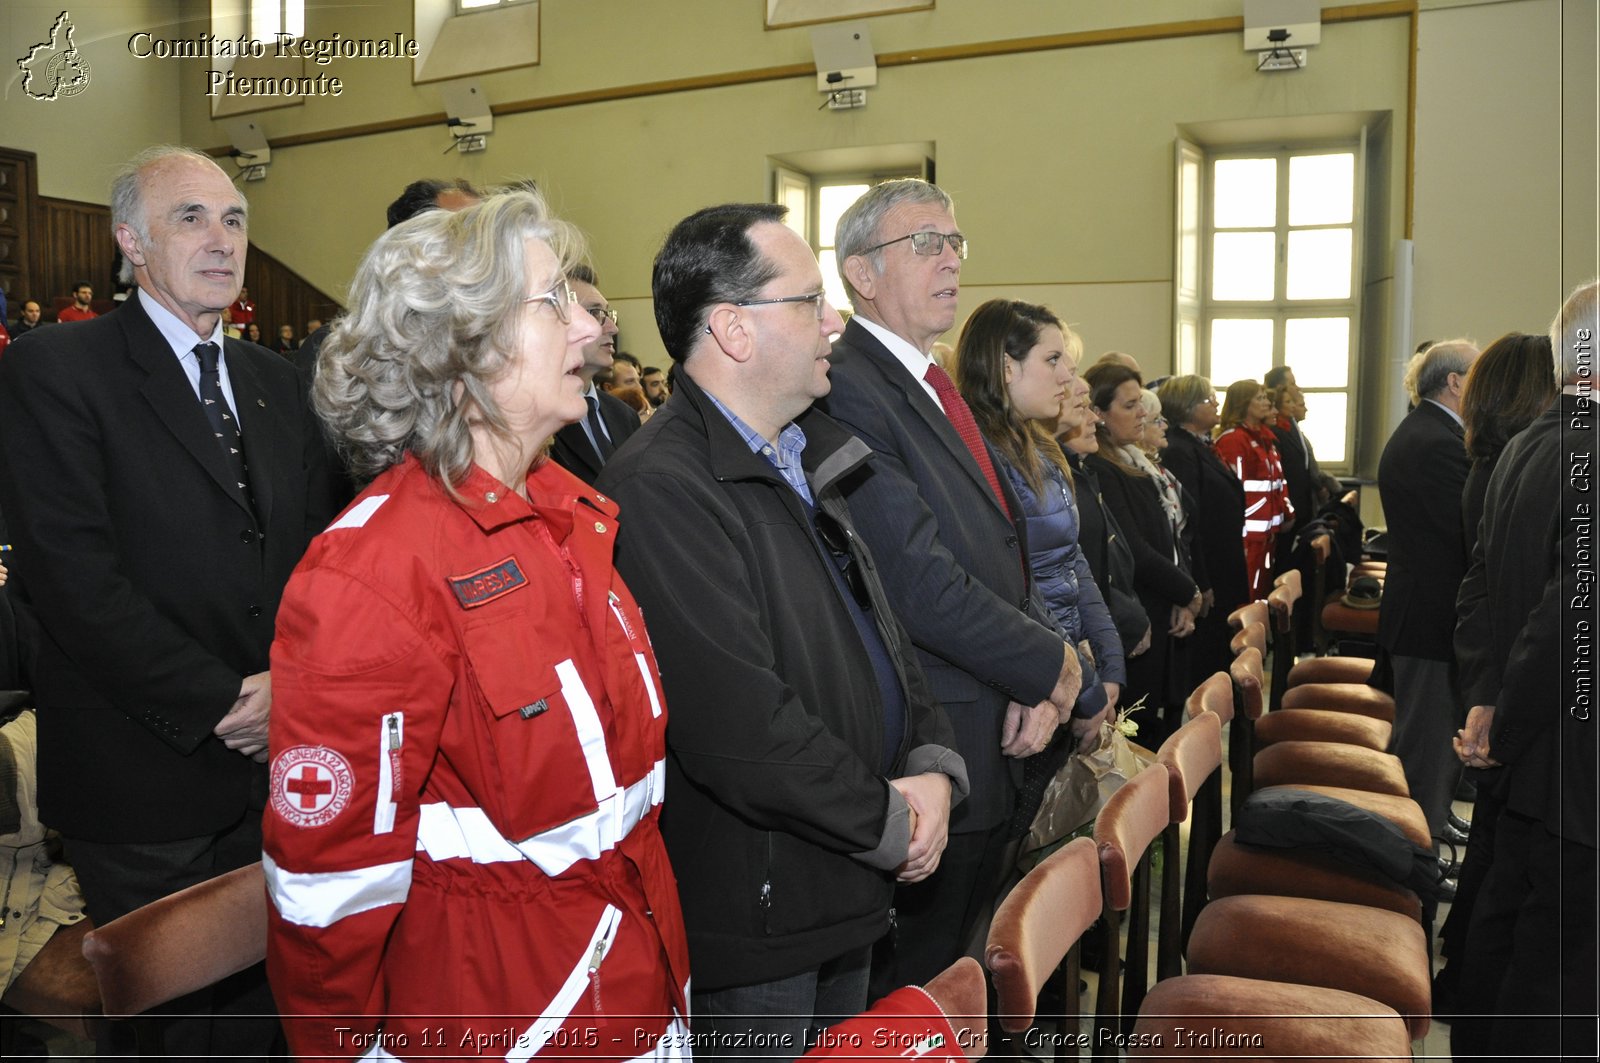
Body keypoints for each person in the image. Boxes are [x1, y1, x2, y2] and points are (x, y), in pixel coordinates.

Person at [264, 190, 690, 1059]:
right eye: (553, 301)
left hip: (642, 989)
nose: (587, 330)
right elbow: (326, 895)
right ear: (459, 343)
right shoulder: (370, 575)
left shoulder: (575, 520)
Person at [597, 203, 966, 1058]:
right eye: (810, 301)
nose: (834, 320)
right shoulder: (661, 486)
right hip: (760, 907)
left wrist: (933, 765)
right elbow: (736, 723)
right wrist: (891, 819)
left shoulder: (803, 449)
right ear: (732, 328)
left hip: (842, 875)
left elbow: (888, 637)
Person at [0, 144, 334, 1058]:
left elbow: (316, 557)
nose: (222, 240)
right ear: (131, 244)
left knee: (273, 1021)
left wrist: (291, 684)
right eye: (191, 218)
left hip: (280, 768)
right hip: (144, 771)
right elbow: (73, 580)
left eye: (234, 220)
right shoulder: (56, 367)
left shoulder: (274, 381)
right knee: (176, 1034)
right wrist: (225, 701)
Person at [817, 178, 1087, 994]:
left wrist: (1050, 663)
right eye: (924, 243)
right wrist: (1051, 666)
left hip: (998, 717)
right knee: (927, 992)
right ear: (862, 275)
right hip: (943, 734)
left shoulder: (932, 385)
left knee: (972, 975)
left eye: (954, 242)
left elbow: (1004, 551)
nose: (950, 260)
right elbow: (921, 580)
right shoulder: (850, 384)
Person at [1452, 282, 1597, 1061]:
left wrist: (1484, 703)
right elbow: (1571, 615)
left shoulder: (1524, 445)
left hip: (1523, 747)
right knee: (1559, 973)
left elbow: (1476, 588)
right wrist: (1502, 715)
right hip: (1573, 760)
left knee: (1504, 933)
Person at [953, 300, 1120, 839]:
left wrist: (1108, 664)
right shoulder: (978, 455)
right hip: (1030, 680)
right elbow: (1014, 585)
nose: (1069, 376)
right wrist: (1084, 682)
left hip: (1065, 671)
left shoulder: (1037, 448)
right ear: (1005, 367)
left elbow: (1072, 563)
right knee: (1016, 866)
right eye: (1054, 360)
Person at [1432, 331, 1557, 1010]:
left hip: (1505, 697)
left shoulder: (1505, 461)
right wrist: (1497, 707)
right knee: (1508, 889)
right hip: (1522, 710)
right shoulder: (1518, 466)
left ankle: (1464, 979)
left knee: (1497, 871)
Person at [1375, 339, 1478, 841]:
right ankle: (1415, 859)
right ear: (1455, 382)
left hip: (1428, 613)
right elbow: (1463, 536)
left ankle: (1432, 825)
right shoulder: (1436, 440)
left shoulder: (1434, 431)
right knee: (1426, 749)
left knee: (1439, 741)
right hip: (1429, 617)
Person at [1083, 362, 1201, 745]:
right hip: (1137, 616)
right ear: (1100, 414)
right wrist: (1188, 591)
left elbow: (1167, 536)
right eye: (1130, 405)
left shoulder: (1133, 463)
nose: (1143, 414)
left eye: (1141, 404)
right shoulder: (1102, 467)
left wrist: (1182, 592)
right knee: (1139, 735)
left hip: (1160, 605)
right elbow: (1134, 548)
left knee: (1160, 730)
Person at [1158, 375, 1247, 686]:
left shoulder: (1201, 445)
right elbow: (1190, 522)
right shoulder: (1179, 450)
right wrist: (1202, 582)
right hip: (1208, 566)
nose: (1217, 403)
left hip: (1224, 562)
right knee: (1206, 663)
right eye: (1209, 399)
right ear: (1187, 407)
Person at [549, 267, 641, 483]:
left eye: (608, 314)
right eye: (595, 313)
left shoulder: (624, 415)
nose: (612, 328)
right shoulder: (543, 415)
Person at [1213, 379, 1293, 600]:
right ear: (1243, 404)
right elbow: (1232, 493)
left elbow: (1278, 483)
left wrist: (1287, 512)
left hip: (1268, 535)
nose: (1267, 403)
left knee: (1260, 594)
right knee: (1247, 595)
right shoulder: (1234, 441)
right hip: (1248, 537)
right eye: (1260, 398)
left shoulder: (1265, 439)